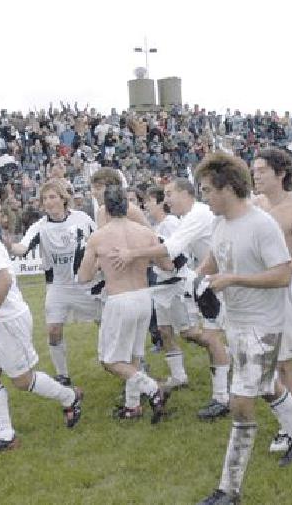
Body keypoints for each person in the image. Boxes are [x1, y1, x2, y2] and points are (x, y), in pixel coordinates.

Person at [195, 153, 292, 505]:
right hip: (236, 321)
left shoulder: (262, 224)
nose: (204, 197)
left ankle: (229, 489)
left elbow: (281, 273)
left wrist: (233, 278)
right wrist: (197, 278)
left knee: (240, 403)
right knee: (266, 385)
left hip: (263, 326)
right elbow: (215, 258)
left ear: (228, 188)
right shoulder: (220, 223)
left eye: (206, 190)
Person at [0, 199, 84, 457]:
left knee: (23, 381)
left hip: (7, 320)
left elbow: (4, 278)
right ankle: (6, 436)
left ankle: (70, 397)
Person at [107, 177, 232, 420]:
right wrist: (198, 278)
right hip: (212, 280)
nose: (166, 200)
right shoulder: (190, 217)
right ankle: (221, 393)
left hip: (221, 282)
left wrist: (132, 254)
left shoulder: (194, 215)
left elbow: (172, 250)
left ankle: (226, 396)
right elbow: (209, 254)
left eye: (169, 193)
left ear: (186, 193)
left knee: (213, 338)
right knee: (204, 336)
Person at [76, 185, 172, 423]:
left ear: (105, 209)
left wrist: (101, 264)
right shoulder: (144, 232)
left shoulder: (98, 237)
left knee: (110, 360)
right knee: (133, 355)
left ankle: (152, 388)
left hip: (120, 299)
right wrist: (142, 258)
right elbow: (167, 265)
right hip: (143, 296)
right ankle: (132, 406)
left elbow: (84, 277)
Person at [251, 148, 292, 454]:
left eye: (262, 170)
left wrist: (281, 268)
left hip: (286, 290)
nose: (256, 175)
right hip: (262, 290)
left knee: (283, 359)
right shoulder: (258, 204)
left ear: (280, 174)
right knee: (270, 358)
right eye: (255, 170)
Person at [7, 180, 99, 387]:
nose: (48, 202)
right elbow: (22, 248)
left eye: (52, 197)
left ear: (63, 199)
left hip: (86, 283)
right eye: (45, 198)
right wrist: (8, 245)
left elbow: (99, 239)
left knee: (105, 321)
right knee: (54, 331)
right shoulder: (40, 227)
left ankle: (119, 359)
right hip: (58, 286)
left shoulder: (82, 219)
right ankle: (62, 374)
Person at [144, 186, 191, 391]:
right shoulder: (157, 226)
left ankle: (224, 354)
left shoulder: (170, 224)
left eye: (148, 201)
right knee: (164, 331)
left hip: (175, 284)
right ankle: (178, 376)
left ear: (158, 201)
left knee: (190, 333)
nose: (145, 205)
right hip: (161, 285)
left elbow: (178, 256)